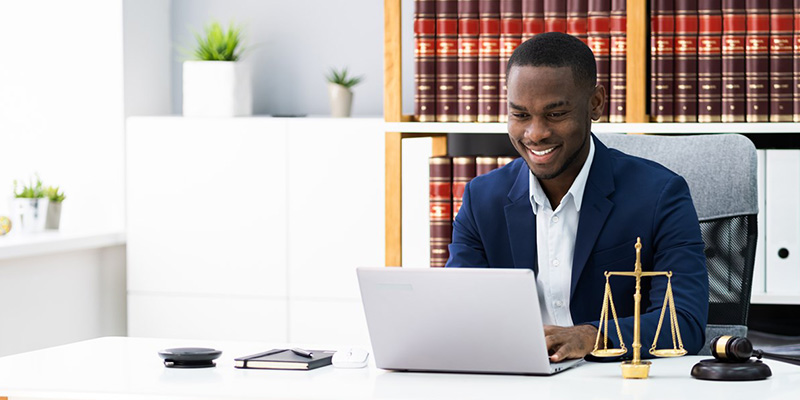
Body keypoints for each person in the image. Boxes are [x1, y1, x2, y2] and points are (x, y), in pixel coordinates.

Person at [445, 32, 708, 363]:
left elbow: (685, 323)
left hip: (617, 382)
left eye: (555, 114)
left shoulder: (660, 196)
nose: (535, 133)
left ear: (596, 103)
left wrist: (592, 336)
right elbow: (459, 315)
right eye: (521, 115)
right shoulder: (482, 199)